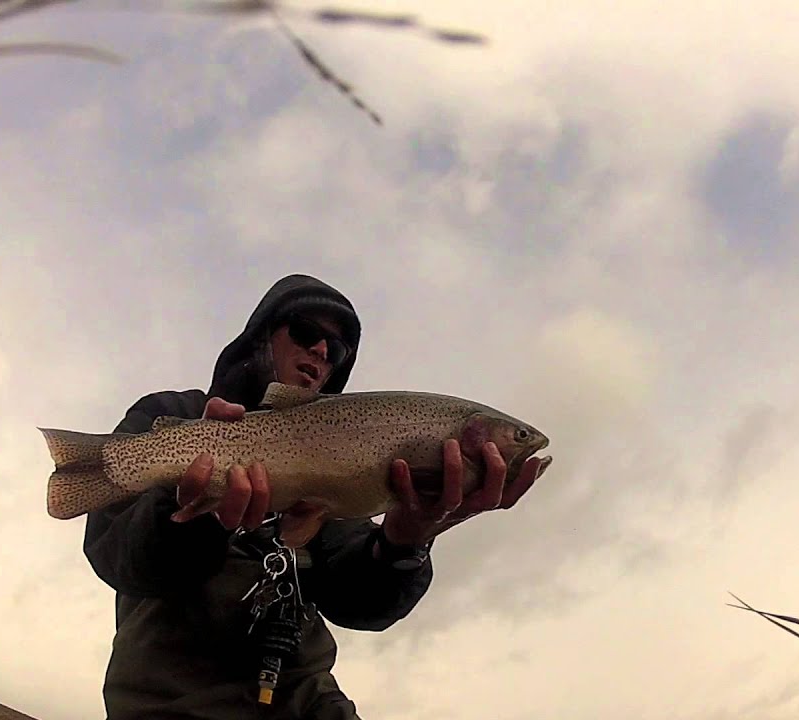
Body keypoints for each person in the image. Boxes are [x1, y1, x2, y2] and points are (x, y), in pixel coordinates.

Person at [82, 274, 546, 720]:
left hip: (306, 700)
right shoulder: (176, 416)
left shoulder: (341, 462)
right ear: (260, 337)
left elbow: (356, 602)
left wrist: (406, 539)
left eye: (338, 351)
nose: (323, 352)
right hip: (171, 701)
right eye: (306, 332)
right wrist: (194, 509)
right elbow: (115, 556)